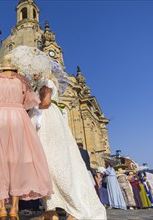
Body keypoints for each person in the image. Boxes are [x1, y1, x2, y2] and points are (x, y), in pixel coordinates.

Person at [0, 55, 53, 220]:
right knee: (17, 162)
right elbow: (31, 103)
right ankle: (14, 209)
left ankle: (1, 208)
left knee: (0, 161)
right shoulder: (21, 79)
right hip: (18, 117)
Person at [29, 76, 106, 220]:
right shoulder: (47, 82)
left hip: (46, 121)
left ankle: (72, 211)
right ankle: (51, 211)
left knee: (50, 166)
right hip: (52, 122)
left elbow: (44, 102)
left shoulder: (45, 81)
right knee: (48, 166)